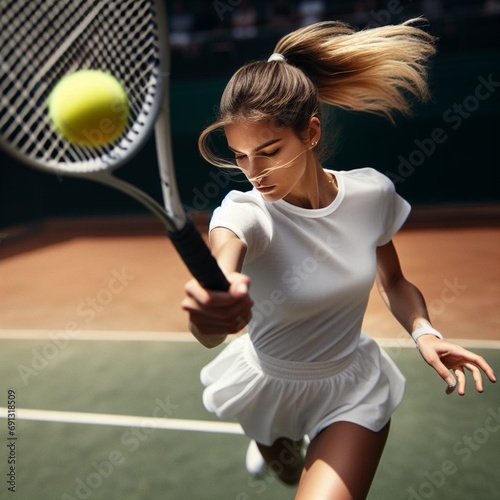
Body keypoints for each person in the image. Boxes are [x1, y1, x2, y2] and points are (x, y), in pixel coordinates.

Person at [181, 19, 497, 499]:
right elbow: (218, 287)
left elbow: (394, 282)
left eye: (268, 151)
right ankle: (271, 442)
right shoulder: (244, 213)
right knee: (286, 471)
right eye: (239, 156)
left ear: (310, 133)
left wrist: (425, 332)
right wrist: (210, 314)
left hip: (351, 387)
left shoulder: (371, 194)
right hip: (270, 382)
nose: (253, 173)